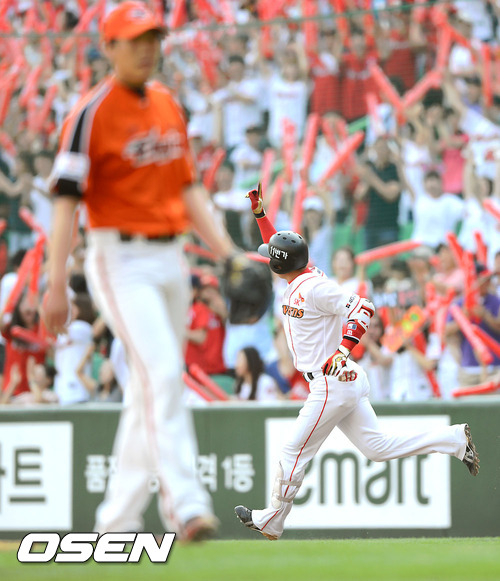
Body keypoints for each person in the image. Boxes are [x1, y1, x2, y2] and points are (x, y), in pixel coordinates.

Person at [43, 2, 236, 541]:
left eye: (153, 38)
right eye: (135, 40)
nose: (147, 48)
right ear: (109, 47)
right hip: (119, 258)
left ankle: (115, 524)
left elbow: (189, 188)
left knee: (146, 390)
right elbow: (65, 202)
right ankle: (186, 505)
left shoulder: (168, 104)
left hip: (171, 256)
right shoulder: (90, 113)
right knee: (164, 371)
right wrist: (55, 283)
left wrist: (226, 252)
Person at [234, 185, 480, 541]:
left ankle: (272, 519)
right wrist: (260, 214)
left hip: (331, 380)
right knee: (377, 449)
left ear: (277, 265)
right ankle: (453, 439)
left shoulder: (314, 286)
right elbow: (279, 246)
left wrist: (343, 350)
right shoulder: (301, 274)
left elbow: (363, 308)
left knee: (292, 450)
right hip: (342, 379)